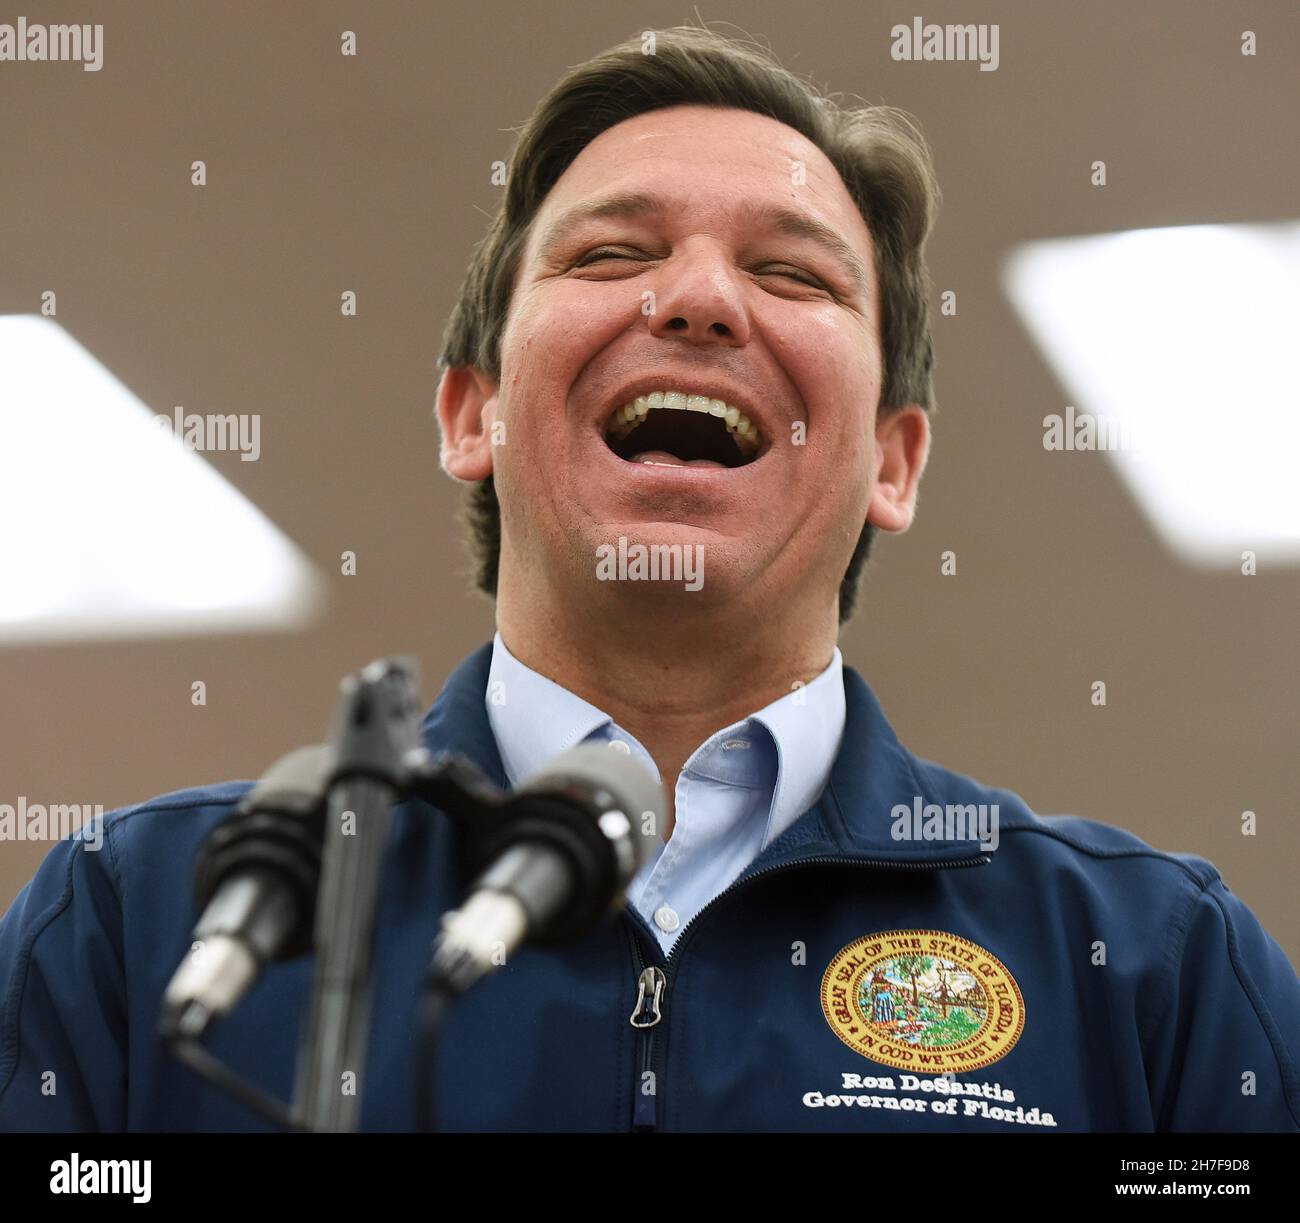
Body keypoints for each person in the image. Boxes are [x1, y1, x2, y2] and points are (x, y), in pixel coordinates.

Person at [1, 25, 1296, 1133]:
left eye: (792, 273)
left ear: (896, 464)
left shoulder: (1151, 971)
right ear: (475, 416)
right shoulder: (143, 923)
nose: (698, 300)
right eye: (611, 254)